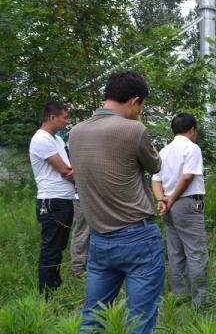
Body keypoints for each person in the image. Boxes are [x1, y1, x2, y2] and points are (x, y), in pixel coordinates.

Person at [69, 71, 164, 334]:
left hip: (99, 239)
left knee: (93, 317)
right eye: (141, 105)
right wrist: (138, 124)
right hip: (138, 237)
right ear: (134, 101)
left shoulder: (75, 133)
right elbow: (155, 165)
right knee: (140, 319)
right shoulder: (134, 129)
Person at [151, 113, 208, 306]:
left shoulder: (164, 152)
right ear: (192, 130)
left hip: (169, 206)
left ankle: (179, 296)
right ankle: (200, 300)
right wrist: (171, 198)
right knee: (195, 251)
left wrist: (162, 200)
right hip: (186, 203)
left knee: (176, 252)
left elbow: (155, 180)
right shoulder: (192, 148)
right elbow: (187, 177)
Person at [29, 102, 76, 297]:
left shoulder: (56, 138)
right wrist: (91, 181)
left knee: (58, 247)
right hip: (52, 201)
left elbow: (69, 165)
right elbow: (65, 171)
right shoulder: (41, 139)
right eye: (64, 117)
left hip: (63, 199)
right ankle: (46, 295)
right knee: (51, 249)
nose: (67, 121)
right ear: (52, 117)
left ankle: (54, 288)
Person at [70, 189, 89, 277]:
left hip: (101, 198)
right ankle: (78, 270)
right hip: (83, 198)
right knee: (82, 233)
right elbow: (69, 175)